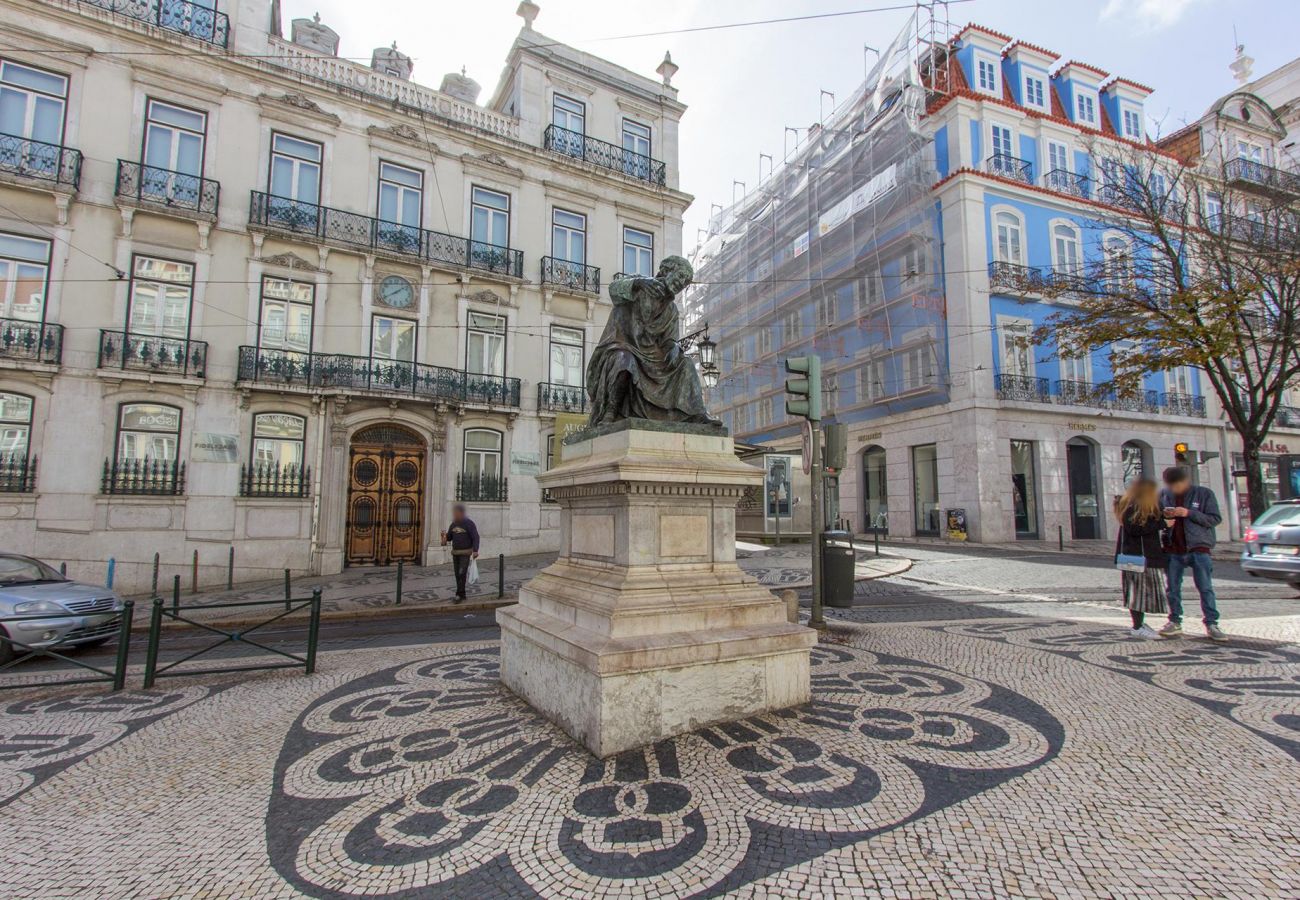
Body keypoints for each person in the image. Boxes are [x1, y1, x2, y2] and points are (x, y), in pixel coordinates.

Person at [585, 256, 720, 426]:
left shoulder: (671, 310)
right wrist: (639, 283)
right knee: (624, 360)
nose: (680, 284)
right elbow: (614, 290)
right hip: (622, 346)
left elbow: (669, 340)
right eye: (679, 277)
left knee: (685, 364)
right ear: (666, 271)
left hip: (652, 359)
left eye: (684, 283)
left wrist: (673, 348)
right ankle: (611, 413)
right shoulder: (637, 285)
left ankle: (697, 413)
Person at [1158, 466, 1226, 641]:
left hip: (1199, 547)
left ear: (1185, 481)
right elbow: (1157, 516)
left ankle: (1211, 623)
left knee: (1205, 588)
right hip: (1173, 548)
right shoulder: (1164, 495)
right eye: (1170, 485)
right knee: (1172, 588)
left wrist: (1188, 513)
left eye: (1176, 485)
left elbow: (1214, 519)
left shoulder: (1204, 494)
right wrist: (1164, 517)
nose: (1173, 488)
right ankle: (1174, 621)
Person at [1114, 478, 1169, 639]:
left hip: (1136, 556)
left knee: (1138, 592)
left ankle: (1139, 624)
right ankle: (1137, 626)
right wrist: (1163, 523)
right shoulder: (1133, 507)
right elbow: (1136, 529)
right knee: (1138, 592)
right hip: (1138, 557)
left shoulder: (1131, 506)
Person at [441, 504, 479, 604]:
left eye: (456, 513)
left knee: (462, 572)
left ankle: (459, 594)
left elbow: (475, 537)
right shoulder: (453, 524)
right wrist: (444, 538)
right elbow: (449, 537)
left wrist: (475, 550)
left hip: (465, 553)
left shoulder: (469, 523)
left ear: (461, 513)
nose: (455, 515)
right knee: (457, 574)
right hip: (455, 553)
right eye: (454, 513)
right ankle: (462, 594)